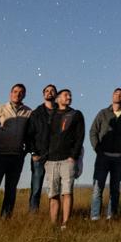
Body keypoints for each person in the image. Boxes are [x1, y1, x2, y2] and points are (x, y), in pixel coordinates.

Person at [0, 84, 31, 220]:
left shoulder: (28, 113)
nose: (17, 94)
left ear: (24, 95)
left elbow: (31, 133)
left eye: (21, 92)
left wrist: (26, 151)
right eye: (15, 91)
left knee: (11, 189)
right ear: (10, 93)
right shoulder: (0, 109)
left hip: (16, 156)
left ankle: (5, 219)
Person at [89, 88, 121, 221]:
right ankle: (95, 216)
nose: (118, 96)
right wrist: (97, 148)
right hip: (103, 156)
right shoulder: (103, 113)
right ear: (112, 96)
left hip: (119, 157)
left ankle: (112, 216)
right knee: (97, 187)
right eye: (116, 93)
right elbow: (93, 131)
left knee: (115, 188)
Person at [39, 88, 84, 226]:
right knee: (53, 194)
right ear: (58, 98)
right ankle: (53, 224)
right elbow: (44, 136)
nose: (69, 97)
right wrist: (45, 157)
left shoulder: (75, 114)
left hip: (67, 160)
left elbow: (79, 137)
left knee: (67, 192)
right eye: (66, 95)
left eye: (70, 95)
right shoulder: (51, 115)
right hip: (51, 160)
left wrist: (73, 156)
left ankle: (65, 223)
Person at [26, 84, 58, 214]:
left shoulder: (61, 112)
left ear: (56, 94)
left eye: (52, 91)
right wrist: (33, 152)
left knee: (56, 188)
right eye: (47, 91)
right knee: (36, 187)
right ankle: (33, 213)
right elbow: (29, 134)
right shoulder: (36, 113)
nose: (49, 93)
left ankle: (54, 215)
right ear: (43, 94)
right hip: (39, 155)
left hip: (56, 155)